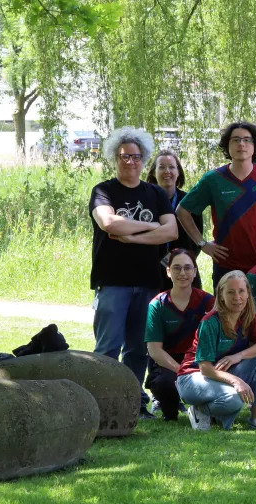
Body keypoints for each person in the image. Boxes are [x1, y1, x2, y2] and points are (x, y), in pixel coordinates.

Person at [90, 126, 178, 418]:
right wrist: (152, 226)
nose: (130, 162)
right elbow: (109, 223)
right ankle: (101, 404)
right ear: (114, 159)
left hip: (149, 282)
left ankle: (133, 404)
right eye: (124, 156)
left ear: (144, 159)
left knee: (139, 350)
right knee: (108, 348)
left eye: (136, 157)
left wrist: (132, 237)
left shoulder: (155, 193)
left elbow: (172, 231)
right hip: (112, 282)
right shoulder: (103, 191)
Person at [176, 121, 256, 288]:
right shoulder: (213, 179)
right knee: (227, 306)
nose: (241, 144)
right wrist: (202, 243)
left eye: (247, 140)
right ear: (227, 145)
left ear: (255, 145)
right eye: (235, 140)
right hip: (226, 265)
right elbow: (182, 210)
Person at [175, 271, 256, 431]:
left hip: (223, 373)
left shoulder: (248, 317)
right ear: (221, 295)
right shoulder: (210, 322)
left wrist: (239, 356)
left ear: (248, 293)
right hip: (194, 376)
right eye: (231, 292)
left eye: (241, 291)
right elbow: (205, 368)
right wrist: (236, 381)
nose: (237, 297)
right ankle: (200, 410)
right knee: (234, 398)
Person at [144, 249, 214, 420]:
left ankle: (209, 410)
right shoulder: (157, 305)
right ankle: (170, 409)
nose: (182, 273)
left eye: (187, 268)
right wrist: (182, 371)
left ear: (195, 272)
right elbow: (154, 350)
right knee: (163, 383)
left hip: (200, 358)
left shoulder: (208, 301)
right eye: (176, 268)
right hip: (169, 361)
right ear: (168, 272)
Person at [145, 149, 203, 290]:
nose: (167, 171)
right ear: (153, 172)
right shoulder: (145, 202)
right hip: (151, 271)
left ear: (178, 172)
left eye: (171, 167)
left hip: (184, 270)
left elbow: (197, 238)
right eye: (161, 167)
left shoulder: (189, 202)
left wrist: (183, 261)